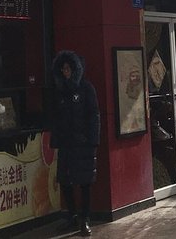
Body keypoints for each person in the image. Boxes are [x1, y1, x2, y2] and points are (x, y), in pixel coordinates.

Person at [51, 50, 100, 236]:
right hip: (65, 144)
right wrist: (56, 140)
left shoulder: (86, 88)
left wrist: (92, 140)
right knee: (65, 180)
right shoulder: (59, 91)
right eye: (63, 69)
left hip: (83, 144)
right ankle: (72, 216)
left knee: (85, 182)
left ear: (75, 69)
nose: (65, 72)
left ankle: (85, 219)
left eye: (68, 69)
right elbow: (55, 117)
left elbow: (94, 115)